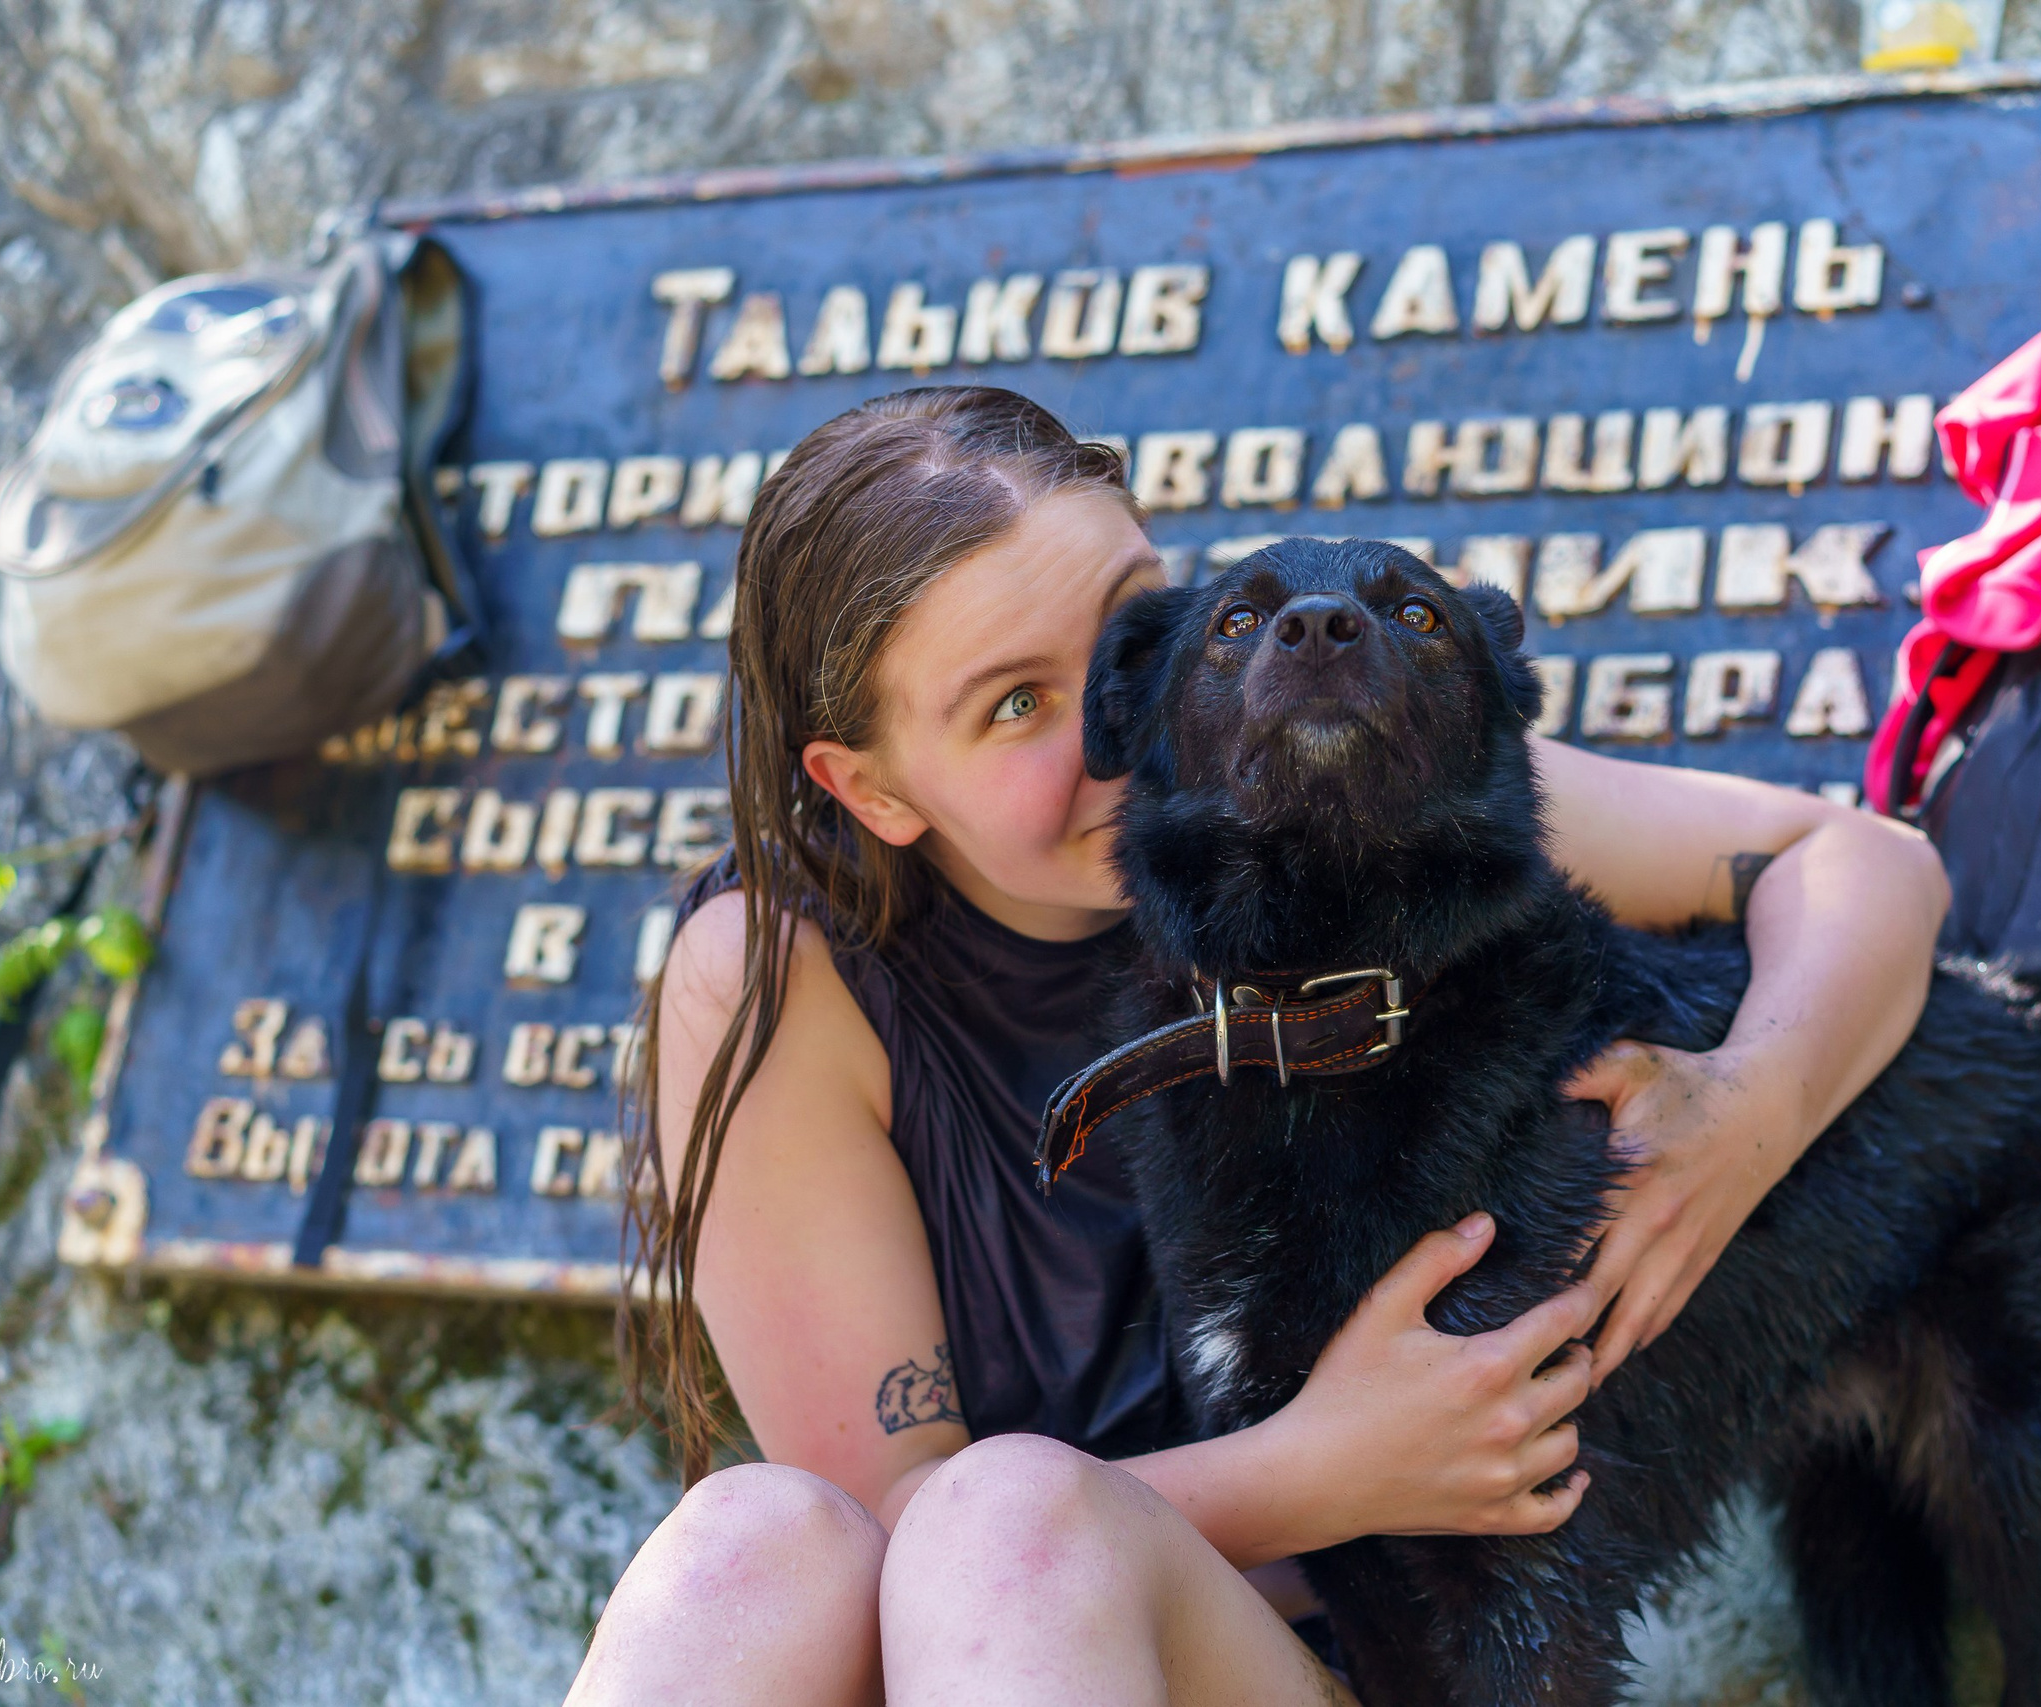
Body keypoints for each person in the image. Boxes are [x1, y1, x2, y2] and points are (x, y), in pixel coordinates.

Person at [564, 386, 1948, 1707]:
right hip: (1007, 1637)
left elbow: (1861, 867)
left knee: (1008, 1515)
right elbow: (889, 1519)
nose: (1116, 734)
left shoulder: (1329, 796)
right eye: (1012, 706)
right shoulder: (774, 978)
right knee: (751, 1541)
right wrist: (1327, 1467)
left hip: (1330, 1663)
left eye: (1131, 636)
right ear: (869, 786)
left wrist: (1749, 1110)